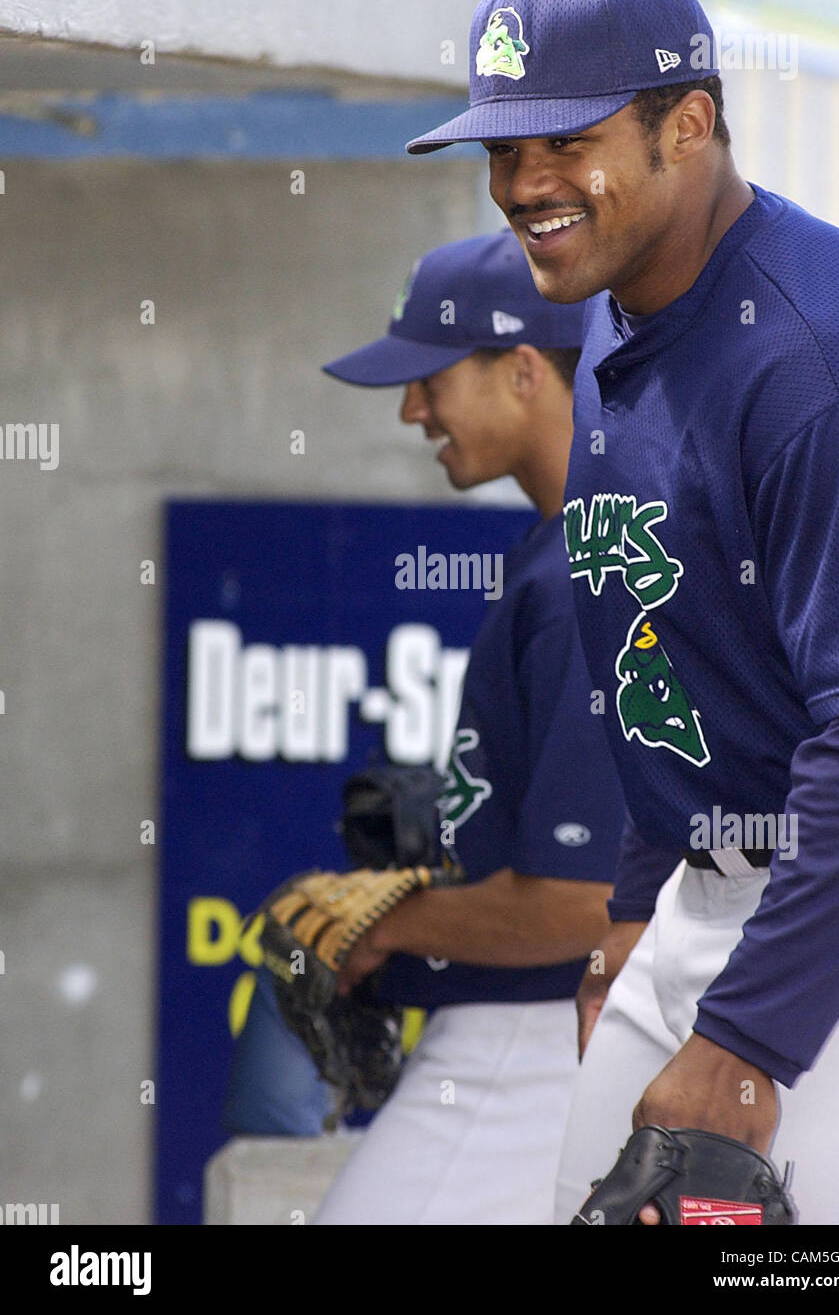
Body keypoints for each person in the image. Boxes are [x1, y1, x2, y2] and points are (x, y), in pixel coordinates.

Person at [407, 0, 839, 1226]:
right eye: (501, 152)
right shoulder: (626, 293)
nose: (523, 188)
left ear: (688, 125)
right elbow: (660, 647)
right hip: (703, 889)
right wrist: (633, 911)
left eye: (562, 141)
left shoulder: (820, 362)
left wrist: (747, 1043)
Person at [306, 229, 627, 1224]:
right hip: (555, 1034)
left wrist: (385, 921)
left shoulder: (589, 563)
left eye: (428, 378)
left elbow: (585, 902)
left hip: (532, 1038)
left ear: (524, 369)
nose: (411, 411)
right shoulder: (586, 541)